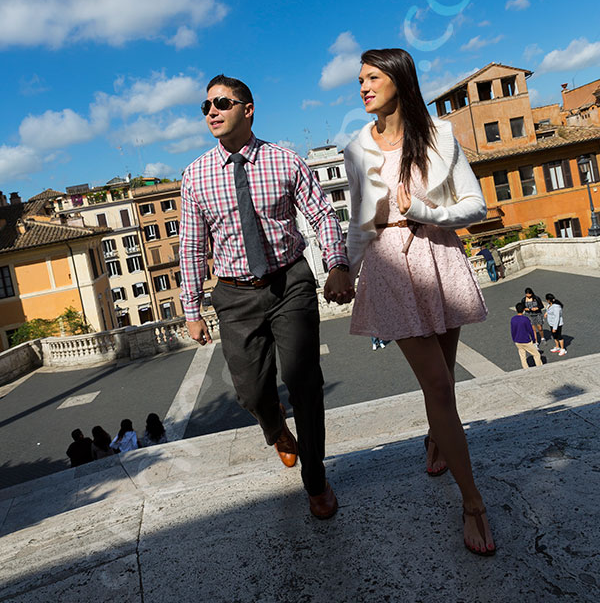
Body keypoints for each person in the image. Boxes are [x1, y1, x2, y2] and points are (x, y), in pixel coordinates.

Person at [179, 74, 354, 520]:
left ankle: (316, 482)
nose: (211, 112)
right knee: (250, 393)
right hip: (234, 296)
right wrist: (191, 308)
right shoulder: (195, 175)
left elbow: (322, 214)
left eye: (221, 103)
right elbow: (193, 247)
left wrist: (336, 264)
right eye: (206, 107)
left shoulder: (285, 161)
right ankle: (275, 426)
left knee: (305, 382)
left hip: (289, 282)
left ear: (248, 109)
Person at [344, 48, 495, 556]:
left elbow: (475, 204)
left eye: (372, 77)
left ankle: (437, 438)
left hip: (438, 253)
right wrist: (345, 267)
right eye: (359, 79)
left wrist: (426, 209)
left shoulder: (440, 135)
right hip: (388, 264)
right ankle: (472, 502)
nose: (362, 86)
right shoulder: (356, 148)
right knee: (436, 382)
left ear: (399, 79)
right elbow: (359, 221)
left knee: (444, 383)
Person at [511, 303, 543, 368]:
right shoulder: (525, 319)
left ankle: (526, 369)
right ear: (523, 310)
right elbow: (530, 330)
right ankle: (540, 368)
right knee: (536, 354)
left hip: (517, 341)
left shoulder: (513, 319)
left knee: (522, 356)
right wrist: (534, 340)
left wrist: (514, 339)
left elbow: (513, 331)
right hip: (526, 341)